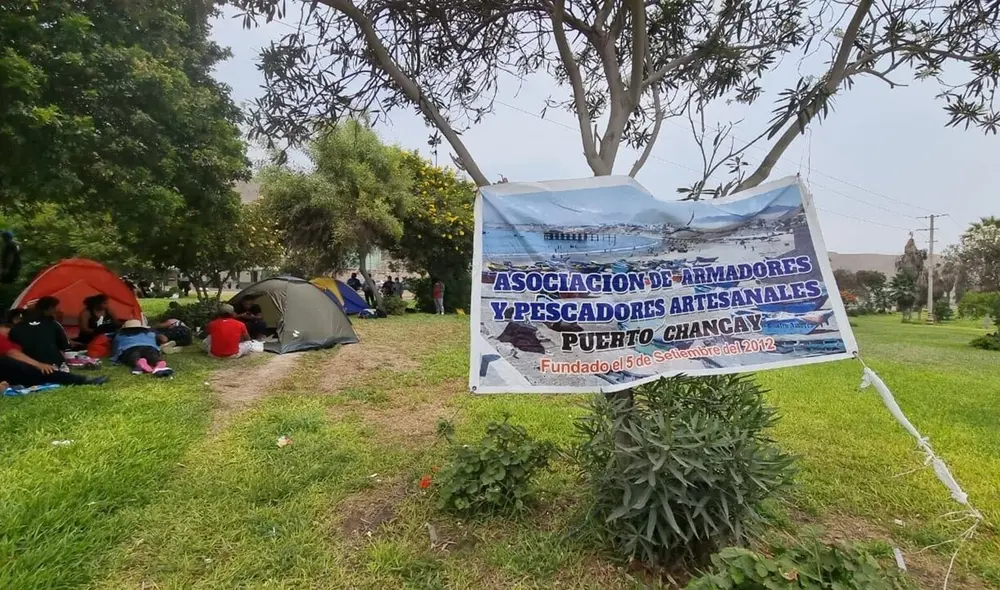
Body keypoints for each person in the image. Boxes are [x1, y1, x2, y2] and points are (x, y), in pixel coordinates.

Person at [1, 319, 107, 387]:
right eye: (8, 330)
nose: (9, 333)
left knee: (33, 373)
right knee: (30, 368)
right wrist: (38, 364)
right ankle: (81, 380)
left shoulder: (12, 340)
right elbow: (12, 353)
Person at [9, 296, 71, 367]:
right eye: (56, 307)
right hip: (51, 365)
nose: (59, 310)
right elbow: (63, 346)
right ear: (51, 308)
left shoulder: (16, 327)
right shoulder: (53, 324)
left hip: (24, 364)